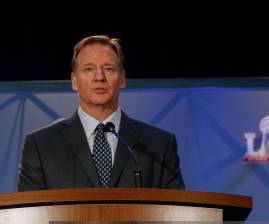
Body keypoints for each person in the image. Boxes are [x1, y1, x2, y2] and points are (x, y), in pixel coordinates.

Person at [17, 35, 185, 190]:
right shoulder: (40, 145)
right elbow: (29, 216)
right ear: (74, 81)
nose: (99, 77)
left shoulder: (159, 145)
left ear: (122, 79)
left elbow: (177, 214)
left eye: (109, 69)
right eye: (89, 69)